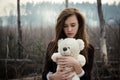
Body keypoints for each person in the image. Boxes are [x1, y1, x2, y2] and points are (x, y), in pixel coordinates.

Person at [42, 7, 94, 80]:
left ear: (79, 25)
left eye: (73, 25)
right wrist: (53, 77)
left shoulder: (88, 48)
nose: (69, 29)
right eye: (65, 26)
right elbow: (44, 74)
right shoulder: (53, 45)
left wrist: (76, 65)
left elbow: (87, 78)